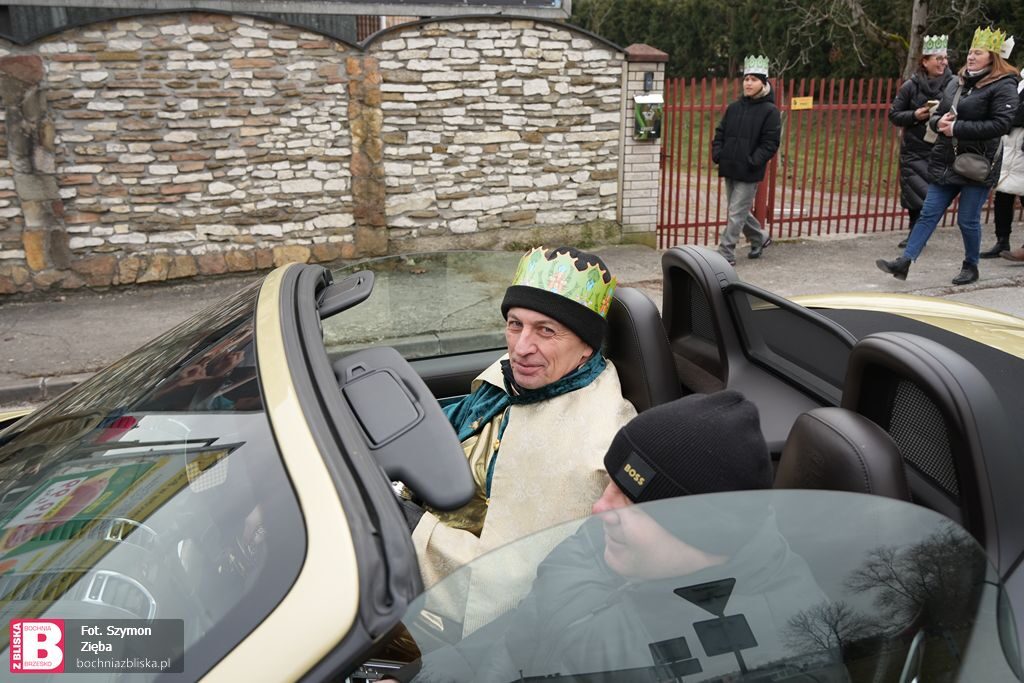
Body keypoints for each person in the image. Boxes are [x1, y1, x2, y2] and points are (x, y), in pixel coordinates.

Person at [386, 392, 841, 683]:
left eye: (631, 501)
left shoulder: (778, 656)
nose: (600, 509)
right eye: (610, 486)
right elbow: (513, 640)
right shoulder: (601, 548)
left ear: (701, 533)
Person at [402, 245, 637, 595]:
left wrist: (408, 525)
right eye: (515, 325)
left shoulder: (590, 448)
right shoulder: (521, 378)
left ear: (587, 347)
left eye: (546, 331)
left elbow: (504, 584)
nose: (521, 348)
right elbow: (450, 423)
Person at [877, 27, 1021, 285]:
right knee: (928, 213)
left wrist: (957, 128)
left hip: (978, 163)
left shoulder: (1004, 84)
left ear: (992, 57)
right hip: (947, 159)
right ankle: (904, 262)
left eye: (978, 53)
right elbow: (937, 117)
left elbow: (1001, 124)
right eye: (970, 52)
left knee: (967, 220)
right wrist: (937, 122)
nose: (971, 57)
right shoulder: (957, 81)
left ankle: (971, 266)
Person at [712, 55, 781, 265]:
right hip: (729, 166)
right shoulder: (734, 108)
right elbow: (720, 132)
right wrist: (719, 153)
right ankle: (760, 237)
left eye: (754, 79)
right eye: (746, 79)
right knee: (738, 211)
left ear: (763, 83)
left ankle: (726, 252)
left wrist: (753, 161)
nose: (748, 83)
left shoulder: (770, 111)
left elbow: (770, 143)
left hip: (749, 170)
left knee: (736, 212)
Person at [889, 35, 954, 249]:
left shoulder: (954, 85)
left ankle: (922, 233)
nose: (943, 62)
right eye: (938, 58)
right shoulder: (911, 86)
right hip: (914, 149)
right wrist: (914, 115)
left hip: (941, 148)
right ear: (925, 61)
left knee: (932, 194)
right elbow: (894, 114)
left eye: (945, 58)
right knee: (913, 193)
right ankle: (914, 233)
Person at [988, 37, 1024, 261]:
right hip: (1010, 143)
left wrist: (1008, 116)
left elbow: (1015, 112)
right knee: (1002, 192)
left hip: (1021, 145)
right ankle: (1002, 240)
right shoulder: (1019, 80)